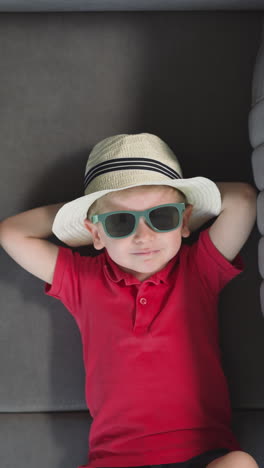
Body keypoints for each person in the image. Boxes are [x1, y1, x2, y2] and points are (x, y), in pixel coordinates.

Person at [0, 133, 259, 468]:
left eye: (161, 217)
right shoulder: (84, 280)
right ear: (95, 233)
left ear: (184, 221)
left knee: (240, 463)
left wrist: (178, 207)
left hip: (204, 452)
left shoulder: (198, 270)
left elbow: (243, 199)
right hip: (114, 459)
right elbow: (11, 233)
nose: (144, 236)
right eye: (121, 222)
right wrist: (87, 209)